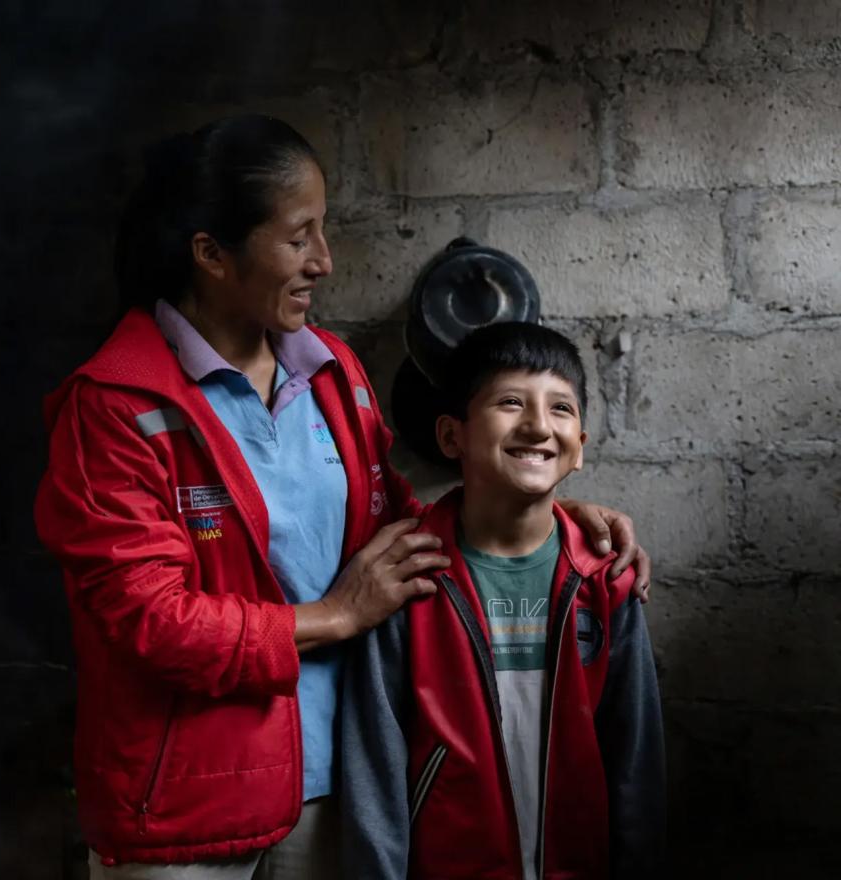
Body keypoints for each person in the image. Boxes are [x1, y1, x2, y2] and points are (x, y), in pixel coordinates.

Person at [34, 115, 650, 878]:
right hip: (187, 810)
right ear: (211, 254)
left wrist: (547, 520)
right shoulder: (117, 405)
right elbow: (151, 623)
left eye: (322, 233)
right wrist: (336, 615)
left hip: (330, 788)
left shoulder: (331, 371)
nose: (324, 261)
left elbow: (395, 527)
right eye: (300, 238)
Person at [341, 322, 665, 880]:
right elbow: (374, 763)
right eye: (511, 402)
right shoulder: (405, 579)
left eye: (561, 408)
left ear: (579, 449)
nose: (539, 424)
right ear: (451, 437)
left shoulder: (605, 582)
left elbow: (636, 758)